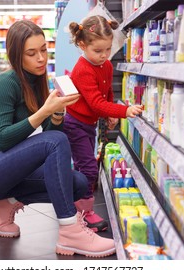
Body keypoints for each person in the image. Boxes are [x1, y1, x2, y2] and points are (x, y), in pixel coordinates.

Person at [0, 20, 116, 258]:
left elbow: (49, 131)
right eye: (32, 53)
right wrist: (44, 112)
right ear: (17, 56)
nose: (41, 58)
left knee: (78, 183)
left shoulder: (40, 81)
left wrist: (57, 114)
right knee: (55, 141)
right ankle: (70, 232)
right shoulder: (6, 83)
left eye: (44, 50)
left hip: (7, 169)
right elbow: (3, 139)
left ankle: (5, 202)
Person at [63, 16, 144, 232]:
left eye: (108, 49)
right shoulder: (82, 70)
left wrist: (111, 114)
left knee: (83, 166)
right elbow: (97, 103)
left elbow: (106, 91)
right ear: (82, 45)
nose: (104, 55)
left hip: (88, 124)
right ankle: (85, 212)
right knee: (89, 170)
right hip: (75, 124)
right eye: (98, 50)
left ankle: (74, 207)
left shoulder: (105, 64)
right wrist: (123, 110)